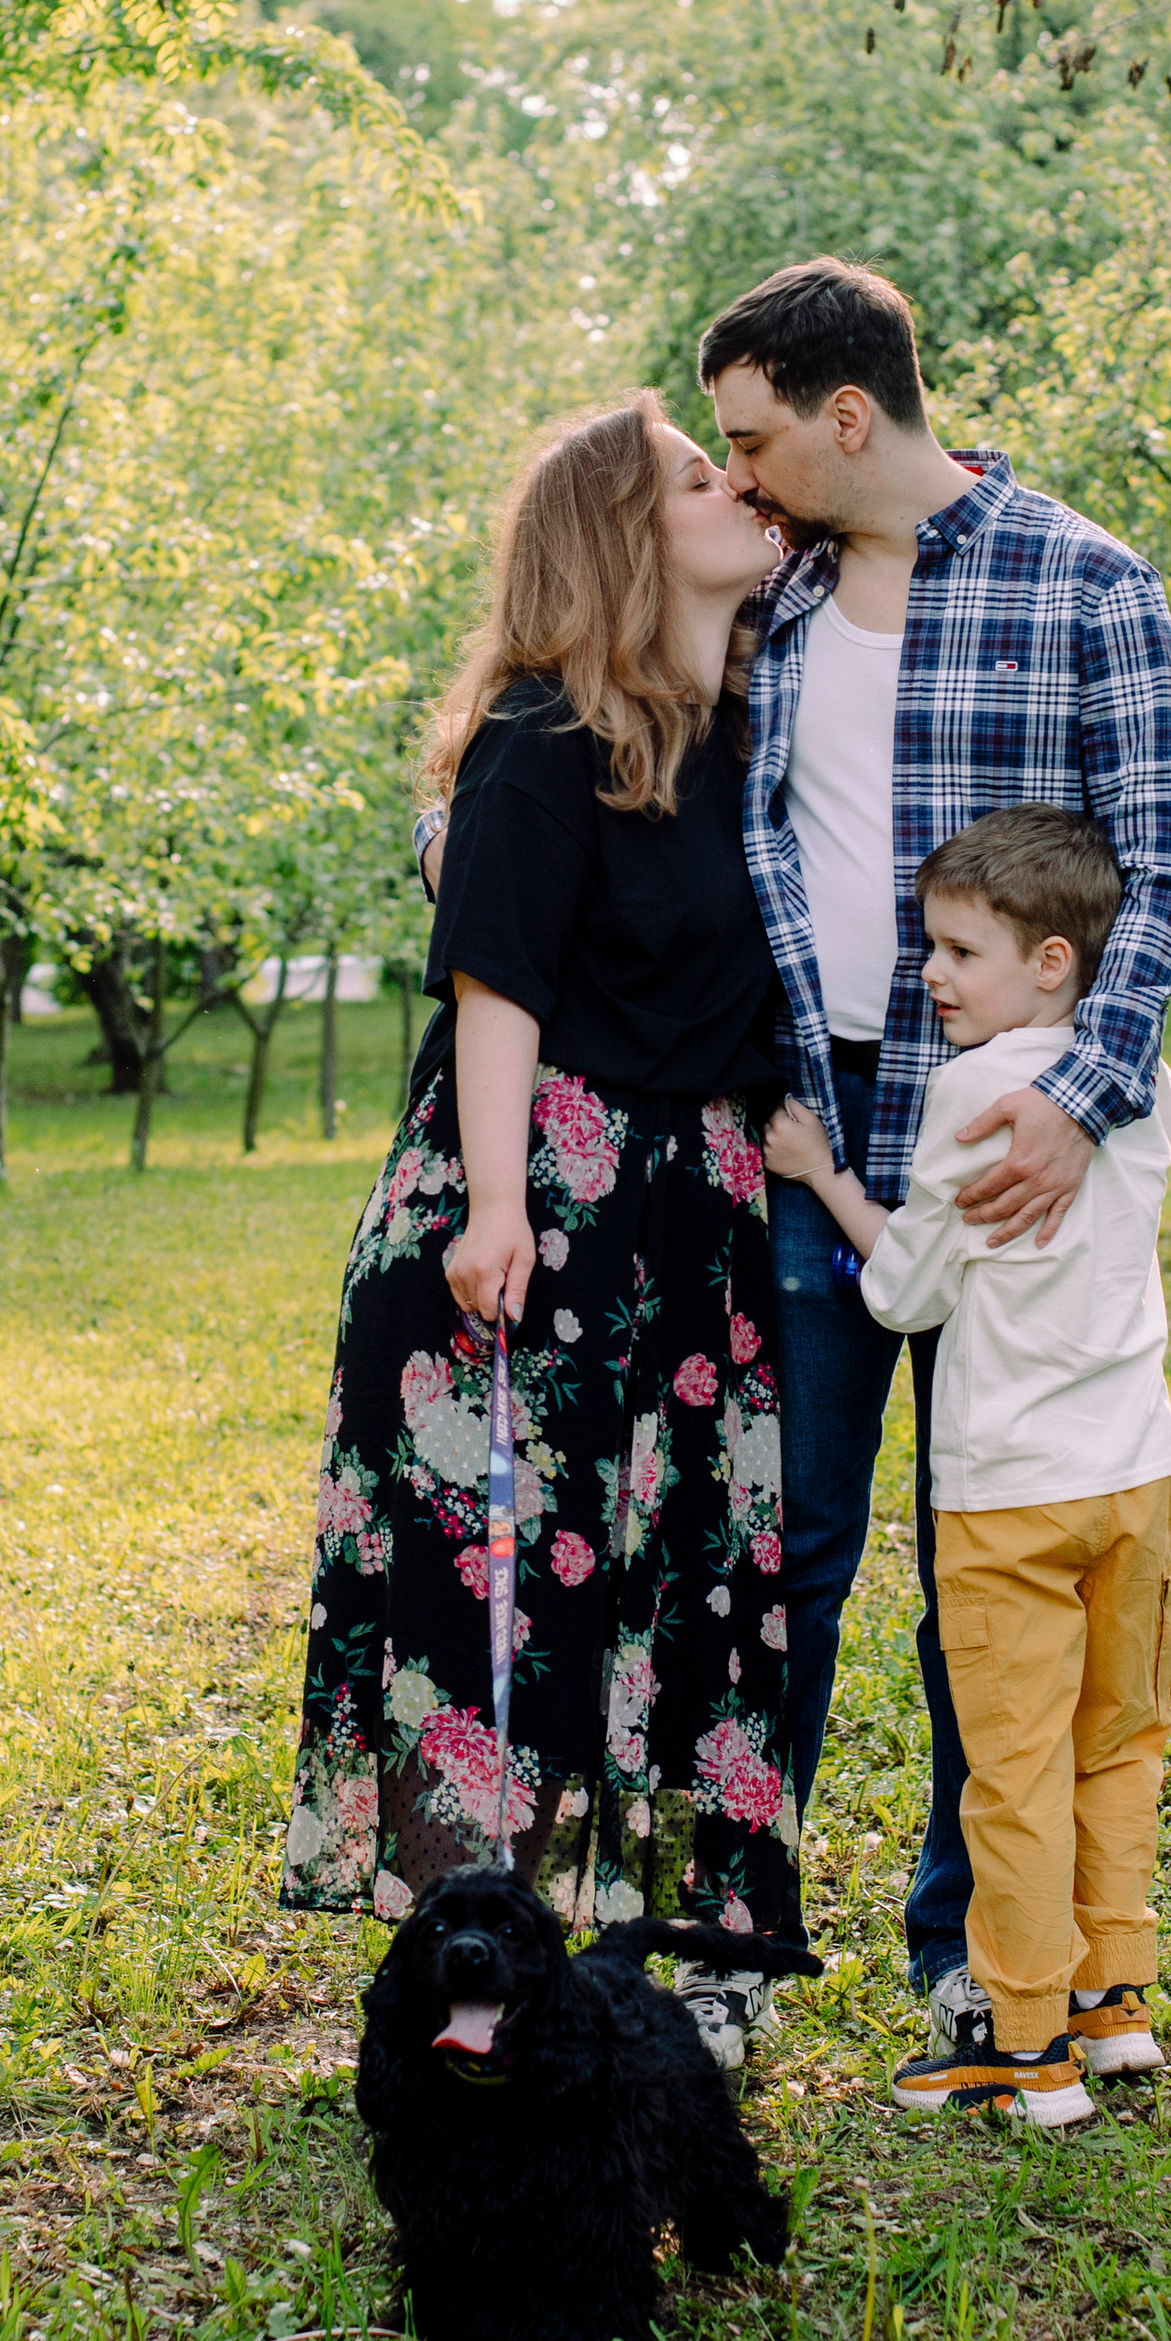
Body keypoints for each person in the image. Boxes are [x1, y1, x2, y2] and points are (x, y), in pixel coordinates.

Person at [699, 256, 1171, 2095]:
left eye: (754, 437)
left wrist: (1084, 1084)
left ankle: (976, 1961)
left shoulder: (1087, 581)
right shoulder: (765, 591)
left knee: (977, 1571)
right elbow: (608, 718)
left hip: (1015, 1137)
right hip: (821, 1133)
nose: (734, 474)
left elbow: (1165, 859)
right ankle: (732, 1938)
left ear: (851, 416)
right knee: (788, 1549)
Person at [283, 396, 804, 2065]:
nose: (741, 489)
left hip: (697, 1220)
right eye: (699, 475)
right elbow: (495, 978)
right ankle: (465, 2004)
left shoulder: (742, 716)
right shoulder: (542, 735)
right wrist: (498, 1203)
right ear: (625, 537)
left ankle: (673, 1970)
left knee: (682, 1583)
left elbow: (908, 498)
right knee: (495, 1600)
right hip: (535, 1210)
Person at [766, 807, 1171, 2124]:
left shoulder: (966, 1094)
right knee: (1118, 1743)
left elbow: (902, 1293)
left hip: (1011, 1495)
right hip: (1139, 1475)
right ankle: (1114, 2000)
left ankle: (1020, 2041)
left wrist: (824, 1175)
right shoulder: (1149, 1087)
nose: (930, 975)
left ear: (1052, 961)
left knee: (1010, 1768)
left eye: (958, 949)